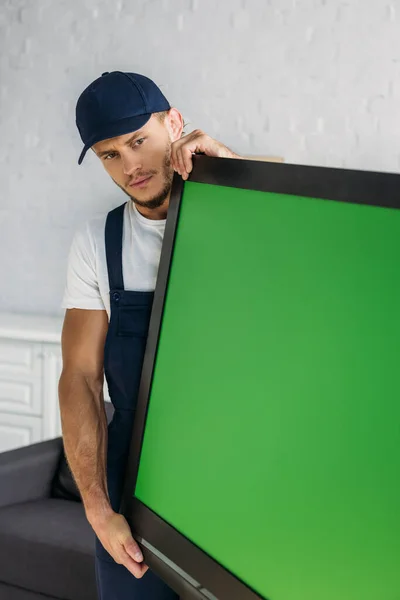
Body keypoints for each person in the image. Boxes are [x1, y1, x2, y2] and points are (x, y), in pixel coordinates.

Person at [58, 70, 241, 600]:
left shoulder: (246, 213)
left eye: (139, 141)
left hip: (239, 468)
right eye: (109, 154)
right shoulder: (97, 243)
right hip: (136, 488)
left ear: (175, 123)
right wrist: (97, 508)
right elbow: (81, 376)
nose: (130, 165)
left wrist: (233, 174)